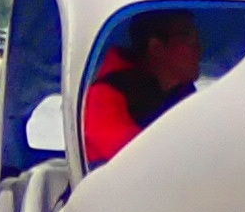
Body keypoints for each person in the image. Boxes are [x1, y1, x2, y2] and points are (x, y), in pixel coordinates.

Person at [79, 10, 204, 165]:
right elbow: (135, 161)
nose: (200, 49)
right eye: (189, 39)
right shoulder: (103, 98)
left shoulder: (184, 97)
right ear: (156, 47)